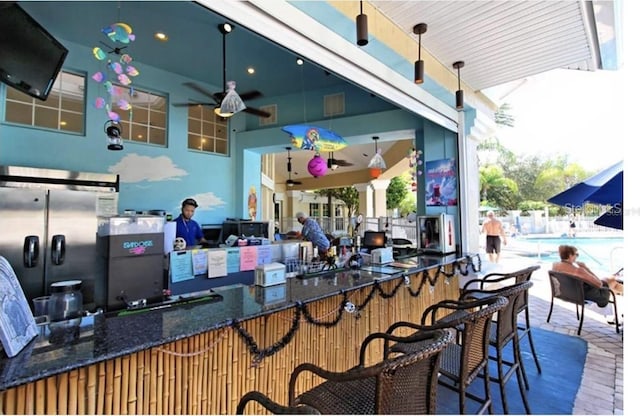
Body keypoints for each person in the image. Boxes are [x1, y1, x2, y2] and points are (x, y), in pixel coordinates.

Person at [551, 245, 620, 310]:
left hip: (566, 294)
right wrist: (585, 268)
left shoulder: (555, 265)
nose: (577, 256)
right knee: (612, 281)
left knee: (612, 282)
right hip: (585, 296)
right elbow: (599, 284)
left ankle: (619, 294)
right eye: (576, 254)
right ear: (570, 255)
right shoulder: (578, 270)